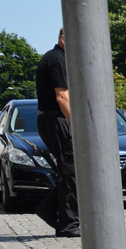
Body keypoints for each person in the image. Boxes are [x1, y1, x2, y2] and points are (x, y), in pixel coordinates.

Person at [35, 28, 79, 237]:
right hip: (56, 119)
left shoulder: (55, 58)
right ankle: (68, 224)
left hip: (51, 119)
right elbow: (62, 97)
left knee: (70, 171)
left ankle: (49, 210)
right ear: (63, 38)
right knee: (72, 171)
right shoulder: (58, 60)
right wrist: (76, 125)